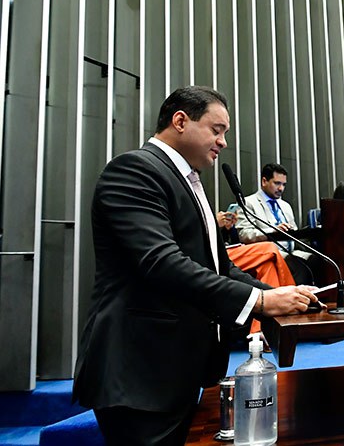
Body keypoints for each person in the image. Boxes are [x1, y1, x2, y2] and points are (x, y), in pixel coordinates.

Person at [73, 86, 318, 445]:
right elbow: (161, 263)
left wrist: (280, 292)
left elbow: (220, 267)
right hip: (139, 370)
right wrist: (261, 304)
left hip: (177, 368)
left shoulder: (189, 181)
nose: (223, 142)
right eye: (216, 130)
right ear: (180, 121)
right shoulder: (134, 171)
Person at [216, 210, 295, 336]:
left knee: (267, 266)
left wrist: (228, 229)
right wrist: (215, 223)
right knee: (270, 248)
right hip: (205, 259)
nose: (280, 188)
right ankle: (292, 301)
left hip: (226, 252)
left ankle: (259, 332)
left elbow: (226, 241)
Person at [234, 163, 298, 243]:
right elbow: (245, 235)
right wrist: (273, 230)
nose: (281, 188)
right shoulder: (248, 203)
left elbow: (296, 233)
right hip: (268, 253)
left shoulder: (286, 206)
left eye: (284, 184)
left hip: (293, 251)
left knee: (312, 255)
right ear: (264, 181)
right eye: (277, 183)